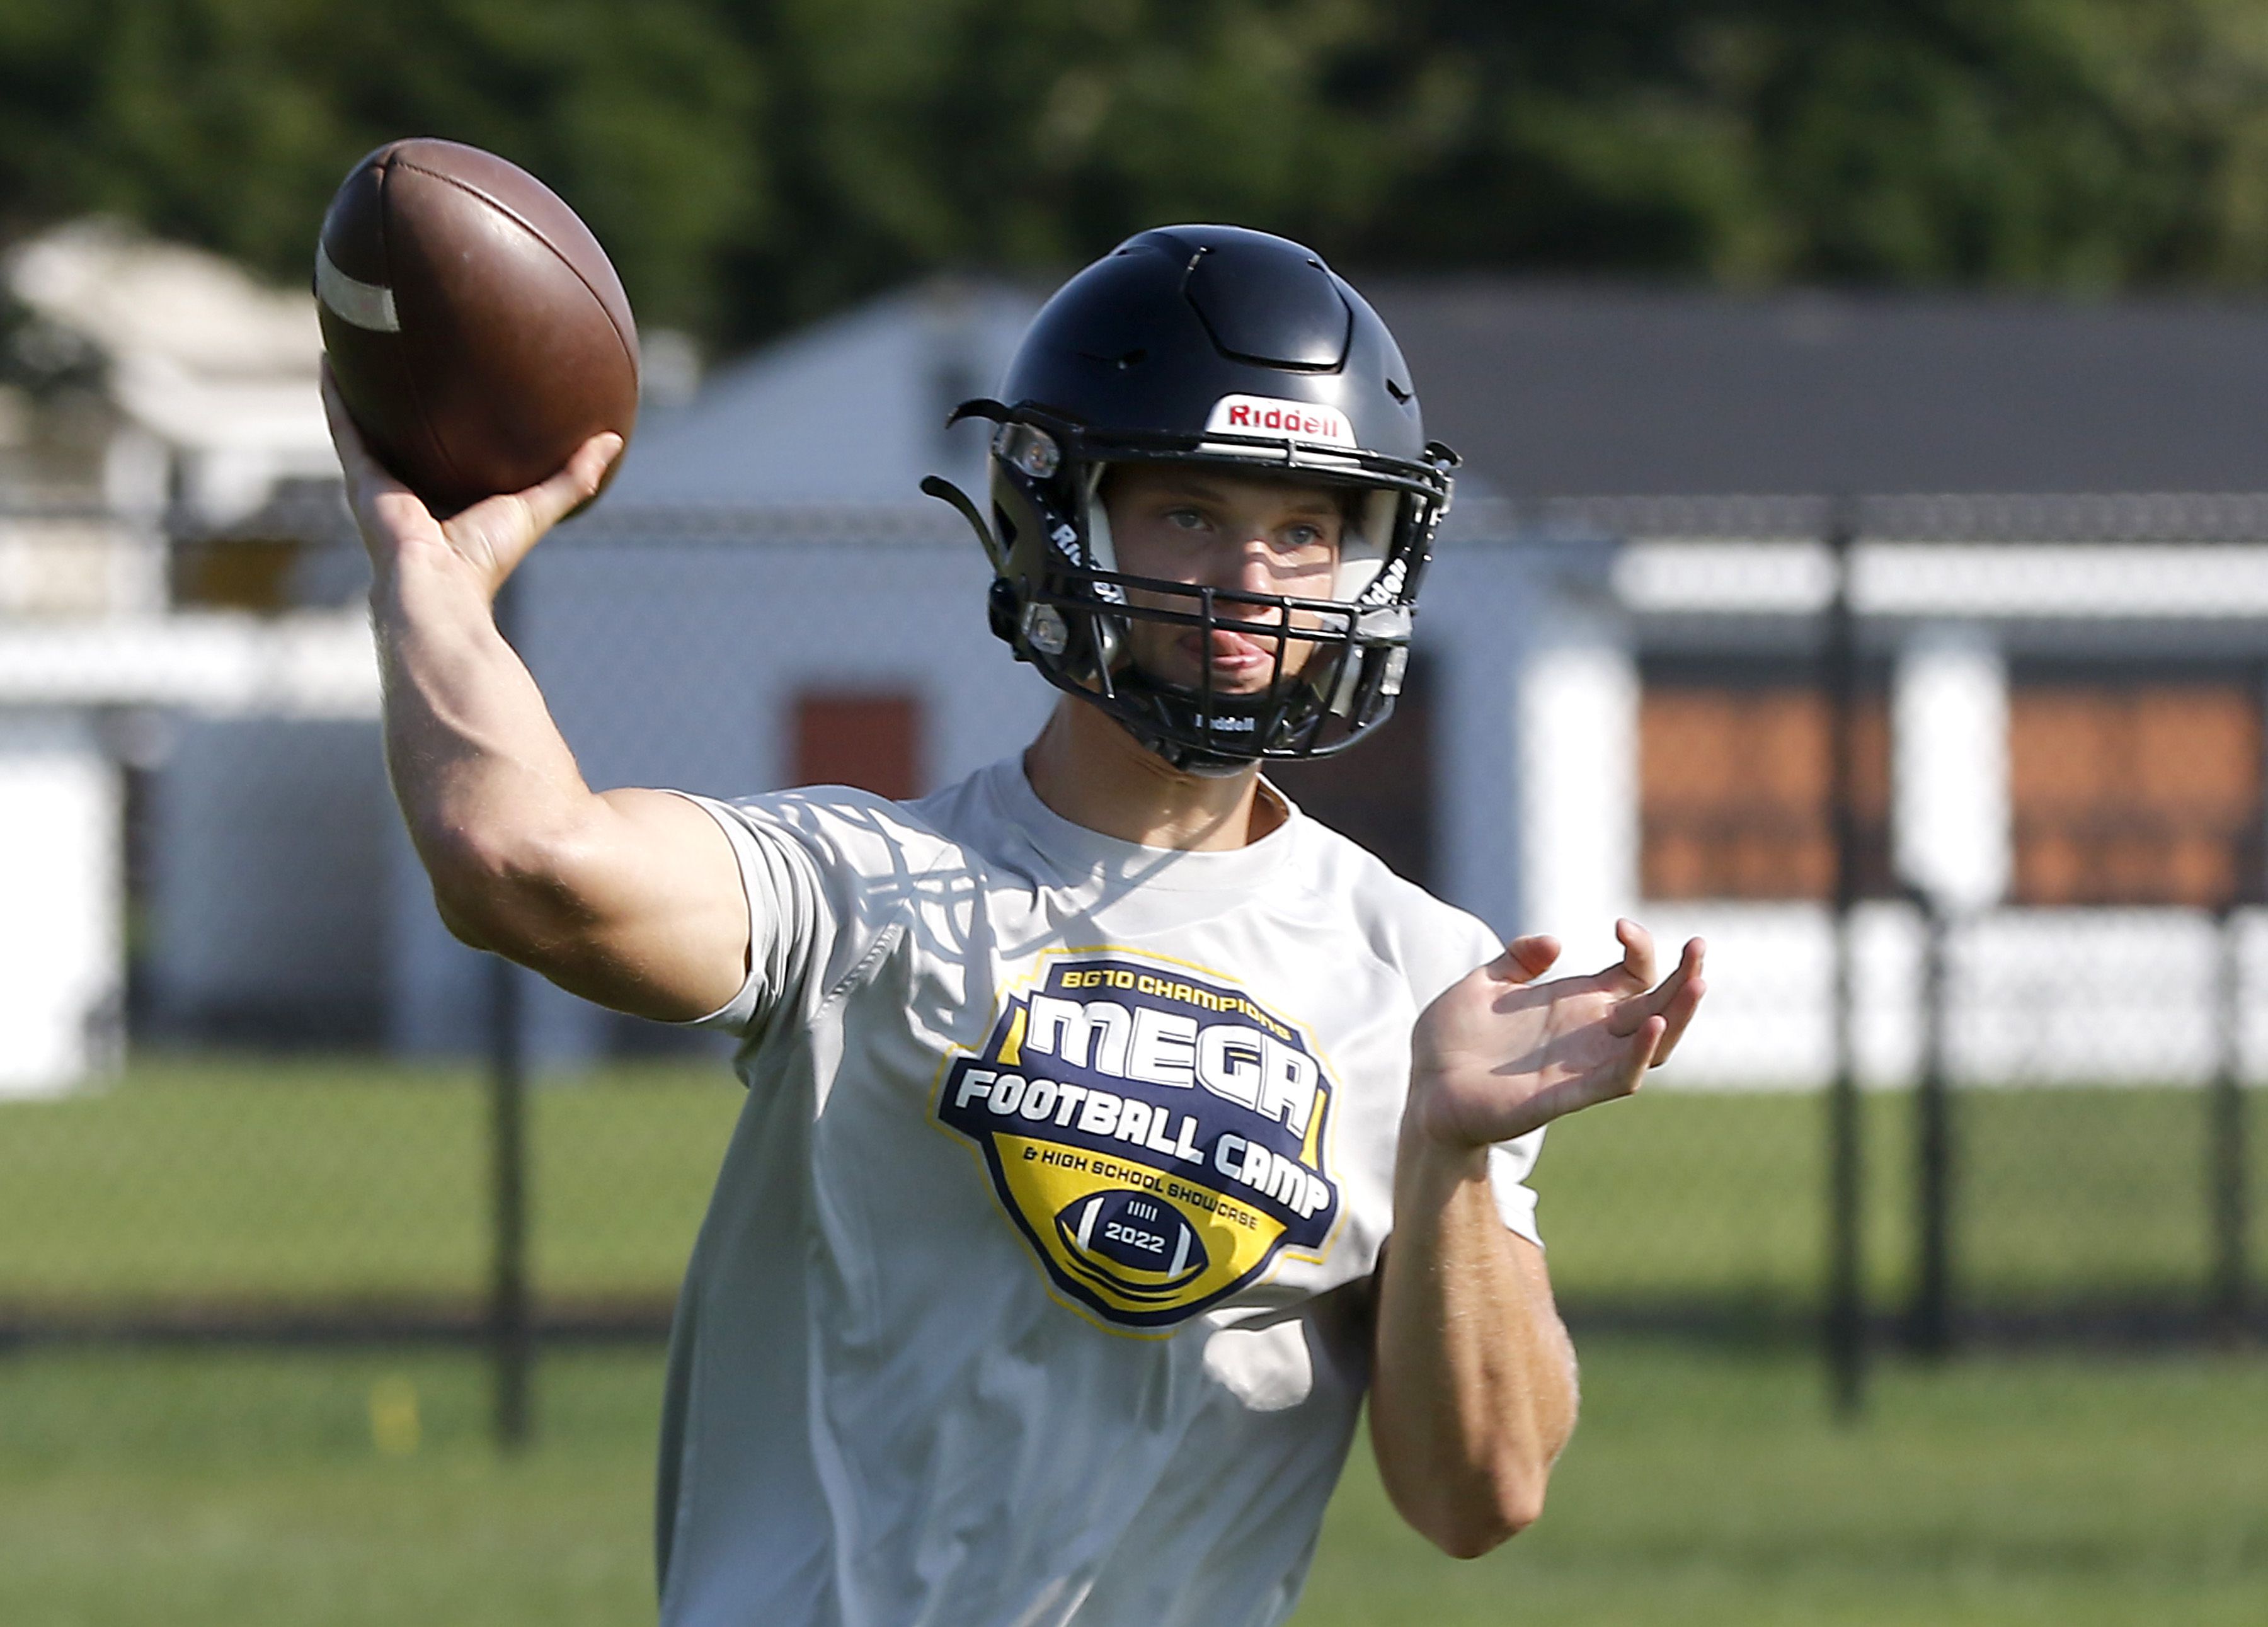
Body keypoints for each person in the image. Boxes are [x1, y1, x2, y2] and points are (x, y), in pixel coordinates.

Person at [324, 223, 1704, 1627]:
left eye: (1303, 528)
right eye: (1190, 513)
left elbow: (1479, 1496)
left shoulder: (1421, 977)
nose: (1252, 582)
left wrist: (1451, 1152)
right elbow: (516, 858)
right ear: (1062, 518)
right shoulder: (871, 888)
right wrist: (424, 570)